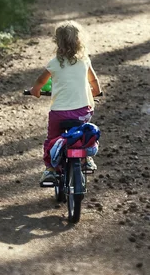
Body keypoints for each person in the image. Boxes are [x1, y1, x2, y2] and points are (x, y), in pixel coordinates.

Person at [29, 21, 102, 183]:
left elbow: (40, 81)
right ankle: (85, 158)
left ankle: (50, 169)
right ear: (80, 41)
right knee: (82, 133)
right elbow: (94, 83)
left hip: (59, 114)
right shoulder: (84, 61)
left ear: (57, 42)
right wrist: (95, 92)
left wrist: (35, 91)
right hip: (82, 112)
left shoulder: (54, 63)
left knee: (52, 139)